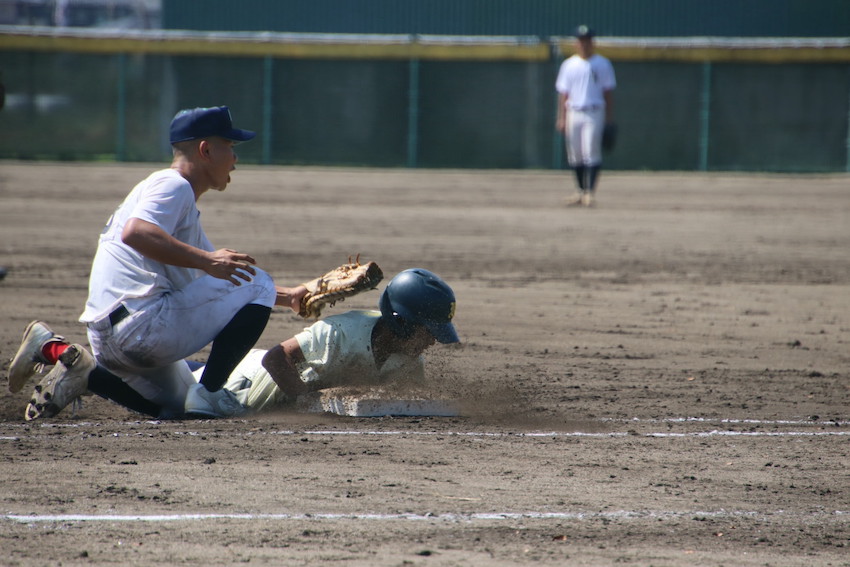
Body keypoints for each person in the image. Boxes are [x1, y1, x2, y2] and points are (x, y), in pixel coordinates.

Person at [9, 105, 308, 420]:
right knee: (257, 282)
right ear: (206, 150)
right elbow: (136, 233)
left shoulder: (168, 199)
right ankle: (211, 393)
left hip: (111, 338)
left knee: (178, 406)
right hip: (142, 328)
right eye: (230, 147)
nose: (235, 158)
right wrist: (208, 261)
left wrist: (291, 297)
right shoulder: (173, 185)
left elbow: (229, 276)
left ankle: (82, 371)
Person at [9, 269, 459, 418]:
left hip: (220, 376)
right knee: (171, 413)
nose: (431, 343)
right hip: (236, 385)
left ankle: (62, 356)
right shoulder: (344, 332)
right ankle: (66, 359)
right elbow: (277, 357)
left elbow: (402, 398)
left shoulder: (405, 359)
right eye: (427, 332)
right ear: (400, 323)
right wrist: (308, 399)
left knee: (163, 395)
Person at [555, 25, 617, 207]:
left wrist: (609, 119)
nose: (584, 44)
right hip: (574, 111)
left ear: (592, 43)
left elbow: (608, 93)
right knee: (575, 154)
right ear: (576, 43)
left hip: (594, 111)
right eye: (581, 41)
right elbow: (563, 94)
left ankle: (590, 192)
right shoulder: (568, 65)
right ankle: (579, 191)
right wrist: (562, 117)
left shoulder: (602, 63)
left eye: (587, 41)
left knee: (591, 151)